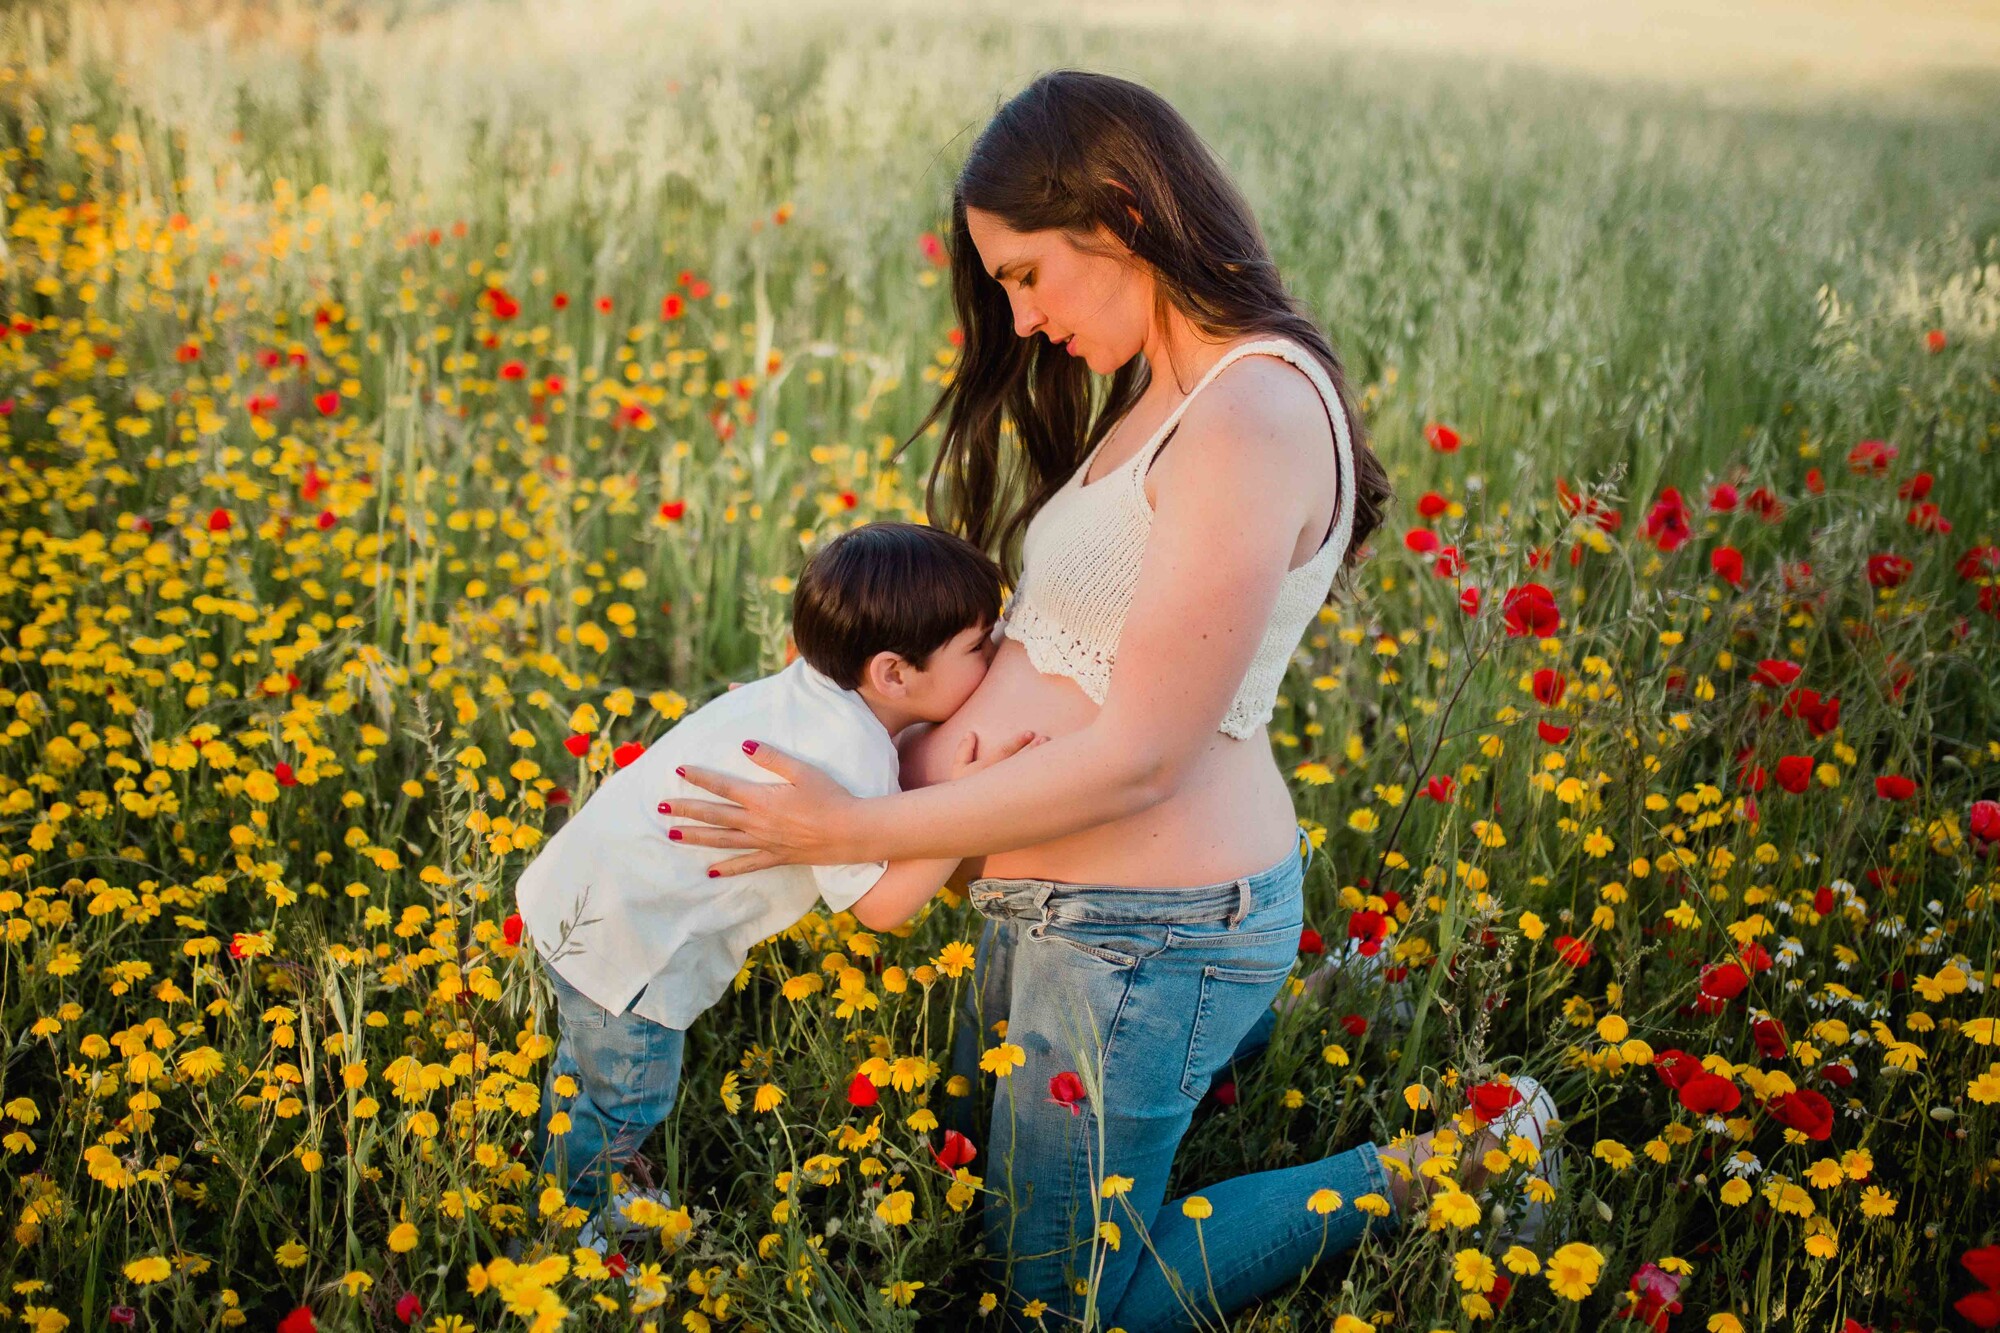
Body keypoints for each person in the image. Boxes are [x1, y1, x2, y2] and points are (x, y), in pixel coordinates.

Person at [659, 70, 1560, 1330]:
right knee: (976, 1222)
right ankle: (1299, 1019)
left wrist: (847, 830)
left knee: (1067, 1307)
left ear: (1122, 211)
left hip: (1146, 925)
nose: (1020, 321)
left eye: (1027, 274)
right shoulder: (1168, 390)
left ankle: (1462, 1159)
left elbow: (1142, 754)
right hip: (1065, 912)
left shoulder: (1247, 411)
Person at [515, 521, 1046, 1253]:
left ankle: (573, 1162)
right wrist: (971, 807)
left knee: (589, 1061)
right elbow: (884, 909)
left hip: (585, 892)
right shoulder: (847, 755)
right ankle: (567, 1231)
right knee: (625, 1089)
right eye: (979, 644)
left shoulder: (816, 688)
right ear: (894, 673)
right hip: (631, 942)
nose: (993, 656)